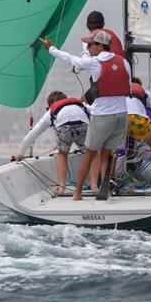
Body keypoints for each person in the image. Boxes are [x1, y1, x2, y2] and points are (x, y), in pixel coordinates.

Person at [40, 30, 130, 201]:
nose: (88, 48)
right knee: (107, 153)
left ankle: (78, 192)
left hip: (103, 116)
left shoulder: (95, 63)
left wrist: (50, 48)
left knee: (89, 153)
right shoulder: (124, 62)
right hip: (121, 115)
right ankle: (105, 189)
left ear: (100, 46)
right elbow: (128, 87)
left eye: (90, 45)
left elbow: (69, 58)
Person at [12, 91, 98, 195]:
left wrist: (20, 153)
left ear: (51, 104)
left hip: (64, 128)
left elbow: (32, 134)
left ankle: (61, 187)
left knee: (62, 154)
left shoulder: (51, 112)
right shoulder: (80, 105)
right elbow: (96, 112)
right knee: (92, 153)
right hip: (82, 125)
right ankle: (94, 186)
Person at [127, 77, 151, 187]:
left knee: (111, 148)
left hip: (120, 119)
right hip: (137, 120)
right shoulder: (146, 93)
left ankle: (109, 179)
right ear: (140, 86)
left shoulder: (118, 90)